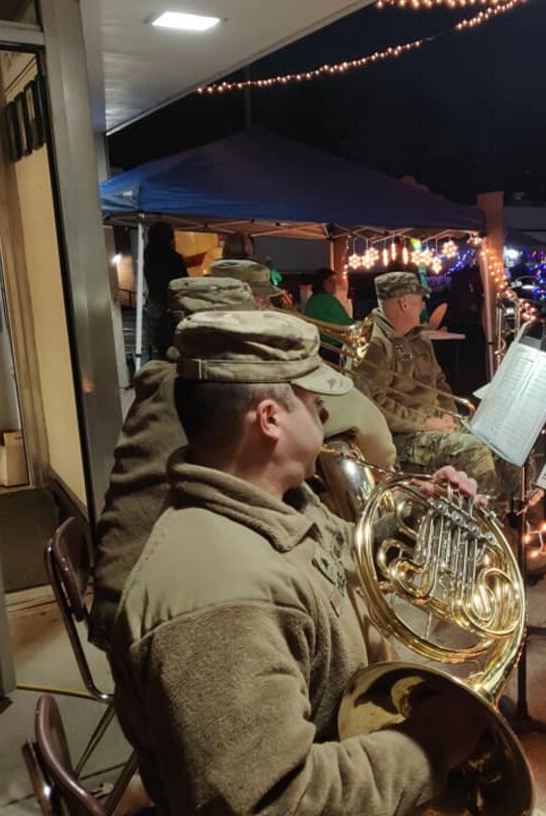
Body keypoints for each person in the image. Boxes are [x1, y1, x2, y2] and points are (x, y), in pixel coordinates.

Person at [109, 310, 484, 815]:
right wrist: (429, 744)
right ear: (269, 419)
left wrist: (423, 517)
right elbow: (279, 802)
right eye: (313, 403)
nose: (326, 417)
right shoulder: (222, 602)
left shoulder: (276, 502)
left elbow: (343, 552)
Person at [88, 277, 397, 651]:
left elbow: (334, 542)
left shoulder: (180, 389)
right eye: (316, 406)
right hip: (158, 604)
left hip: (133, 587)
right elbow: (369, 422)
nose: (324, 412)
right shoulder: (230, 602)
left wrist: (408, 523)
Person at [354, 271, 517, 506]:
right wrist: (426, 423)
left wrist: (447, 415)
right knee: (474, 451)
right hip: (402, 436)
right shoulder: (373, 344)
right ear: (404, 302)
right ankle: (488, 524)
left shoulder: (418, 338)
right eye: (420, 299)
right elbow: (373, 405)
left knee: (500, 442)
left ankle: (518, 514)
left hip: (433, 424)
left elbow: (440, 383)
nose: (423, 306)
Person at [141, 221, 188, 360]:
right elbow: (183, 284)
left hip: (153, 308)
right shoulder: (173, 259)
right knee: (173, 352)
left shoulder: (149, 258)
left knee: (156, 350)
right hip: (171, 310)